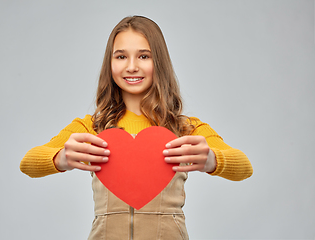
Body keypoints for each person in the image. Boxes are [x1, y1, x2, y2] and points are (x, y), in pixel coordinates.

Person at [20, 15, 253, 240]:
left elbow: (244, 166)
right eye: (121, 57)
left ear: (158, 62)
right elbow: (28, 163)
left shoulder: (184, 128)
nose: (131, 67)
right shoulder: (92, 126)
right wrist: (60, 159)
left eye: (144, 56)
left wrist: (212, 160)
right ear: (110, 64)